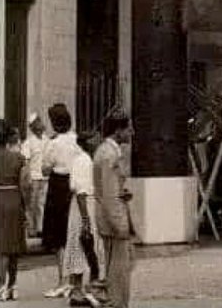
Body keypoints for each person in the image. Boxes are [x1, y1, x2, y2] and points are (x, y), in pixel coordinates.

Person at [94, 113, 134, 308]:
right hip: (113, 220)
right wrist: (121, 224)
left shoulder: (105, 151)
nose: (131, 132)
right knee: (120, 270)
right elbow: (110, 196)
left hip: (106, 216)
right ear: (118, 130)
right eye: (128, 128)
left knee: (115, 266)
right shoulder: (110, 155)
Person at [41, 103, 78, 298]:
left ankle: (62, 281)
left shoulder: (53, 143)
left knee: (58, 237)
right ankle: (73, 281)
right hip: (73, 185)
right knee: (71, 233)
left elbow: (45, 169)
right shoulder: (76, 139)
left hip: (57, 186)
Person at [65, 134, 105, 308]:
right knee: (83, 245)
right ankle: (78, 290)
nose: (98, 141)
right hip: (84, 206)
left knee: (83, 247)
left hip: (87, 205)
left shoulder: (86, 160)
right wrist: (85, 219)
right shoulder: (83, 161)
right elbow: (81, 192)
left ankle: (79, 289)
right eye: (95, 139)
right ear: (88, 142)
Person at [0, 120, 30, 301]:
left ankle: (0, 285)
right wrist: (26, 207)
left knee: (0, 247)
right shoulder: (18, 158)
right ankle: (13, 285)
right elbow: (26, 184)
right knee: (14, 246)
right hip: (14, 198)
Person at [19, 112, 49, 238]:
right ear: (32, 127)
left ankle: (40, 228)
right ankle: (31, 229)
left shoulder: (47, 140)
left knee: (42, 203)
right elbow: (26, 162)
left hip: (45, 177)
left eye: (40, 121)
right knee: (31, 204)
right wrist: (28, 178)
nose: (40, 124)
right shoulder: (28, 143)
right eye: (36, 123)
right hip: (34, 177)